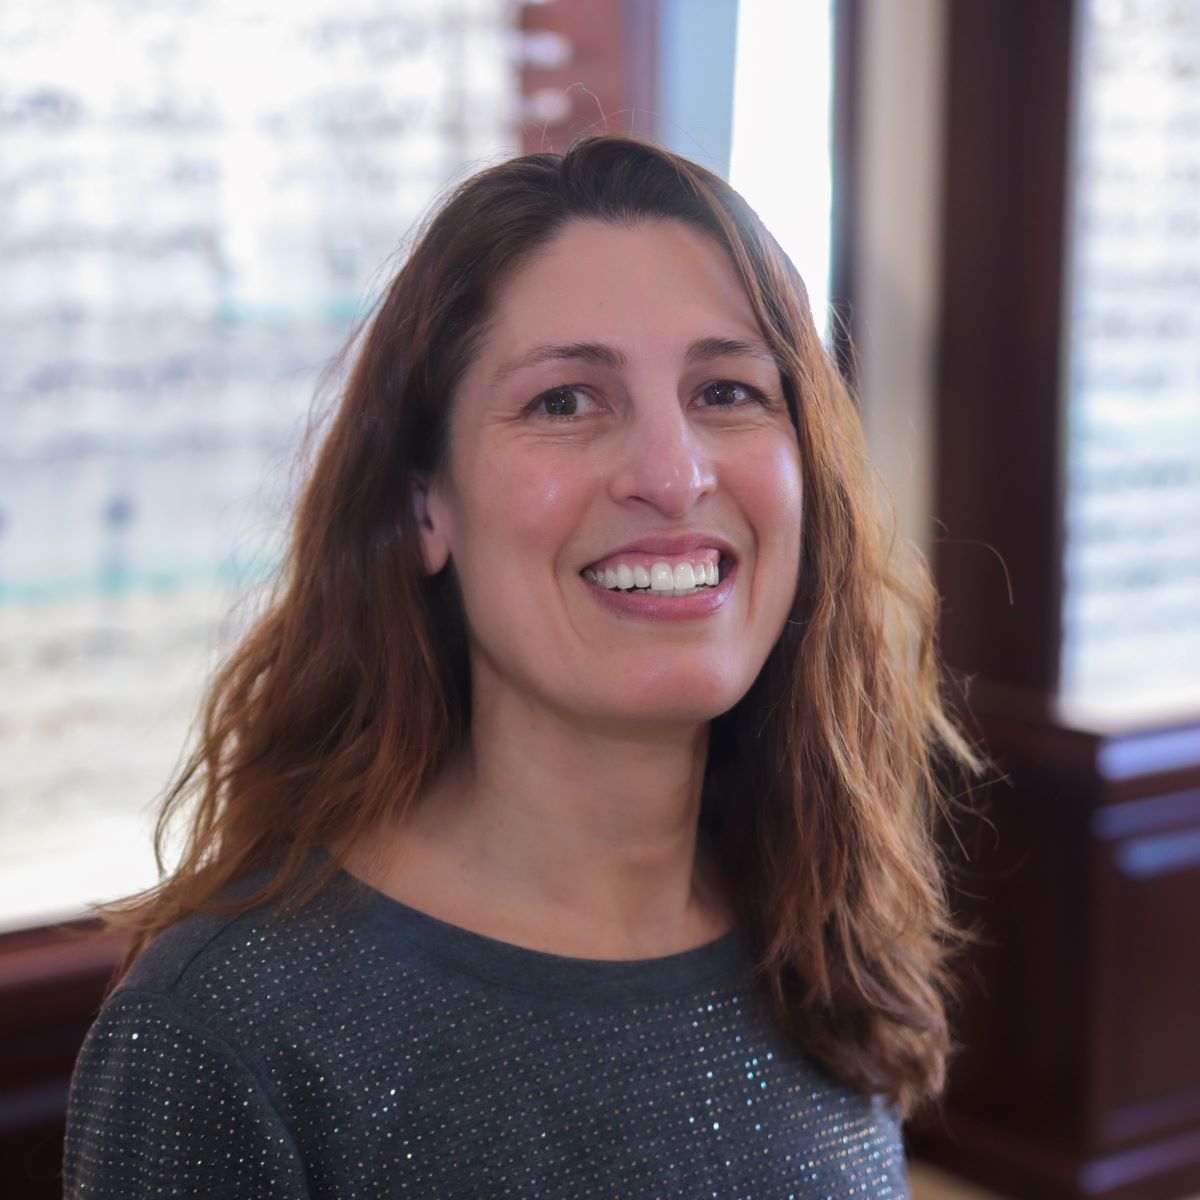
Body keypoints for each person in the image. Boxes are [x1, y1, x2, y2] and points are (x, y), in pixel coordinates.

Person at [63, 133, 988, 1198]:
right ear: (425, 505)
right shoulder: (226, 1031)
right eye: (565, 401)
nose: (671, 474)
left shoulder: (816, 923)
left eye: (726, 390)